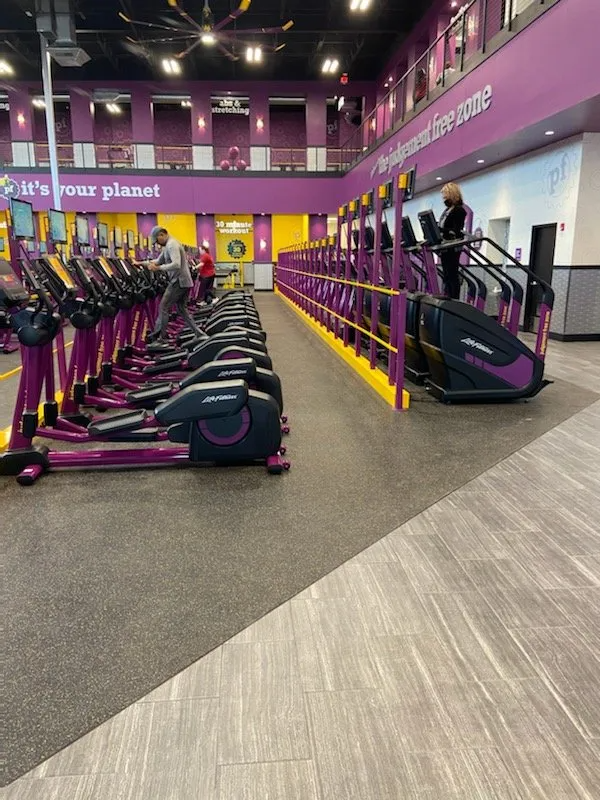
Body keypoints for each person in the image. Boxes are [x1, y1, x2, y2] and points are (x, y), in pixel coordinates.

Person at [140, 226, 201, 343]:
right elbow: (157, 261)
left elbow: (176, 264)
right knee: (181, 309)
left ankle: (161, 339)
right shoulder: (168, 246)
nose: (157, 244)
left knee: (163, 307)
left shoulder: (172, 245)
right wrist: (140, 263)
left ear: (162, 234)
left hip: (179, 281)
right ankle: (199, 333)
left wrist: (158, 268)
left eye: (157, 240)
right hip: (183, 281)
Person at [438, 182, 467, 300]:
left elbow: (456, 230)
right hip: (444, 246)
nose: (443, 198)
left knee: (452, 275)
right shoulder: (447, 210)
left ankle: (454, 300)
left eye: (445, 195)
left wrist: (442, 230)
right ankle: (448, 299)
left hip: (452, 247)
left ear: (451, 194)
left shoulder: (459, 210)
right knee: (446, 276)